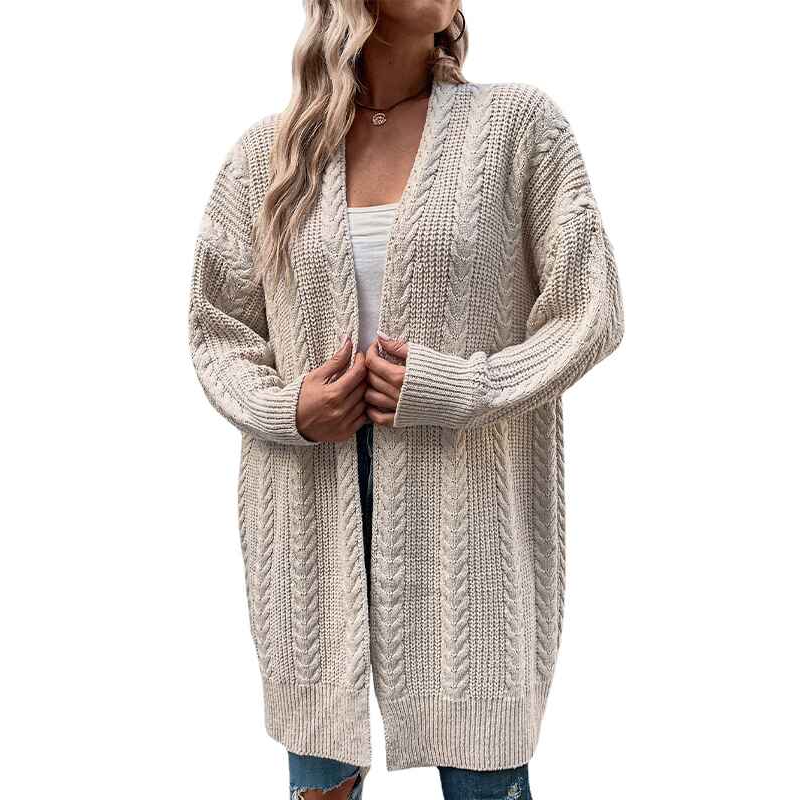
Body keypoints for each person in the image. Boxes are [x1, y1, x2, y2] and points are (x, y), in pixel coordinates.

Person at [187, 1, 625, 798]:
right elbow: (218, 330)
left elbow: (590, 311)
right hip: (308, 523)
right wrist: (290, 409)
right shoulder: (266, 155)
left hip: (470, 520)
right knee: (321, 771)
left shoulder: (518, 127)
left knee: (486, 773)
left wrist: (464, 387)